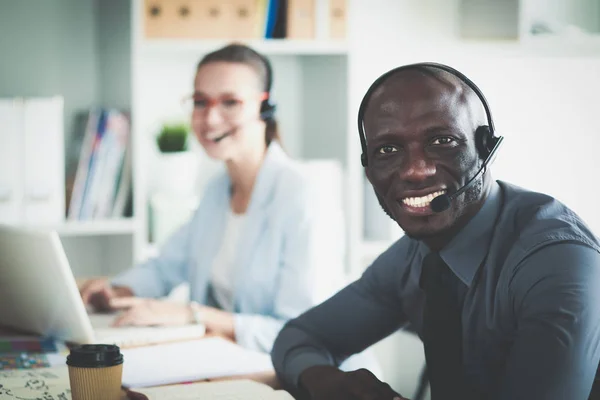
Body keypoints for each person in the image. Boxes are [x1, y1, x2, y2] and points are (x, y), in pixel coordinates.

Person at [271, 62, 600, 400]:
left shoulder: (557, 261)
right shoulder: (417, 254)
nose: (415, 170)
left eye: (442, 141)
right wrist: (329, 383)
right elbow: (299, 338)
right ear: (368, 169)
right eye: (387, 149)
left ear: (486, 148)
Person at [79, 43, 348, 353]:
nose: (210, 119)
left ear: (265, 108)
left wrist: (192, 315)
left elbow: (304, 334)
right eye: (200, 102)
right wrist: (115, 290)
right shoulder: (216, 190)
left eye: (230, 102)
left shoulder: (304, 197)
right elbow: (167, 266)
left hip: (304, 377)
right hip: (227, 358)